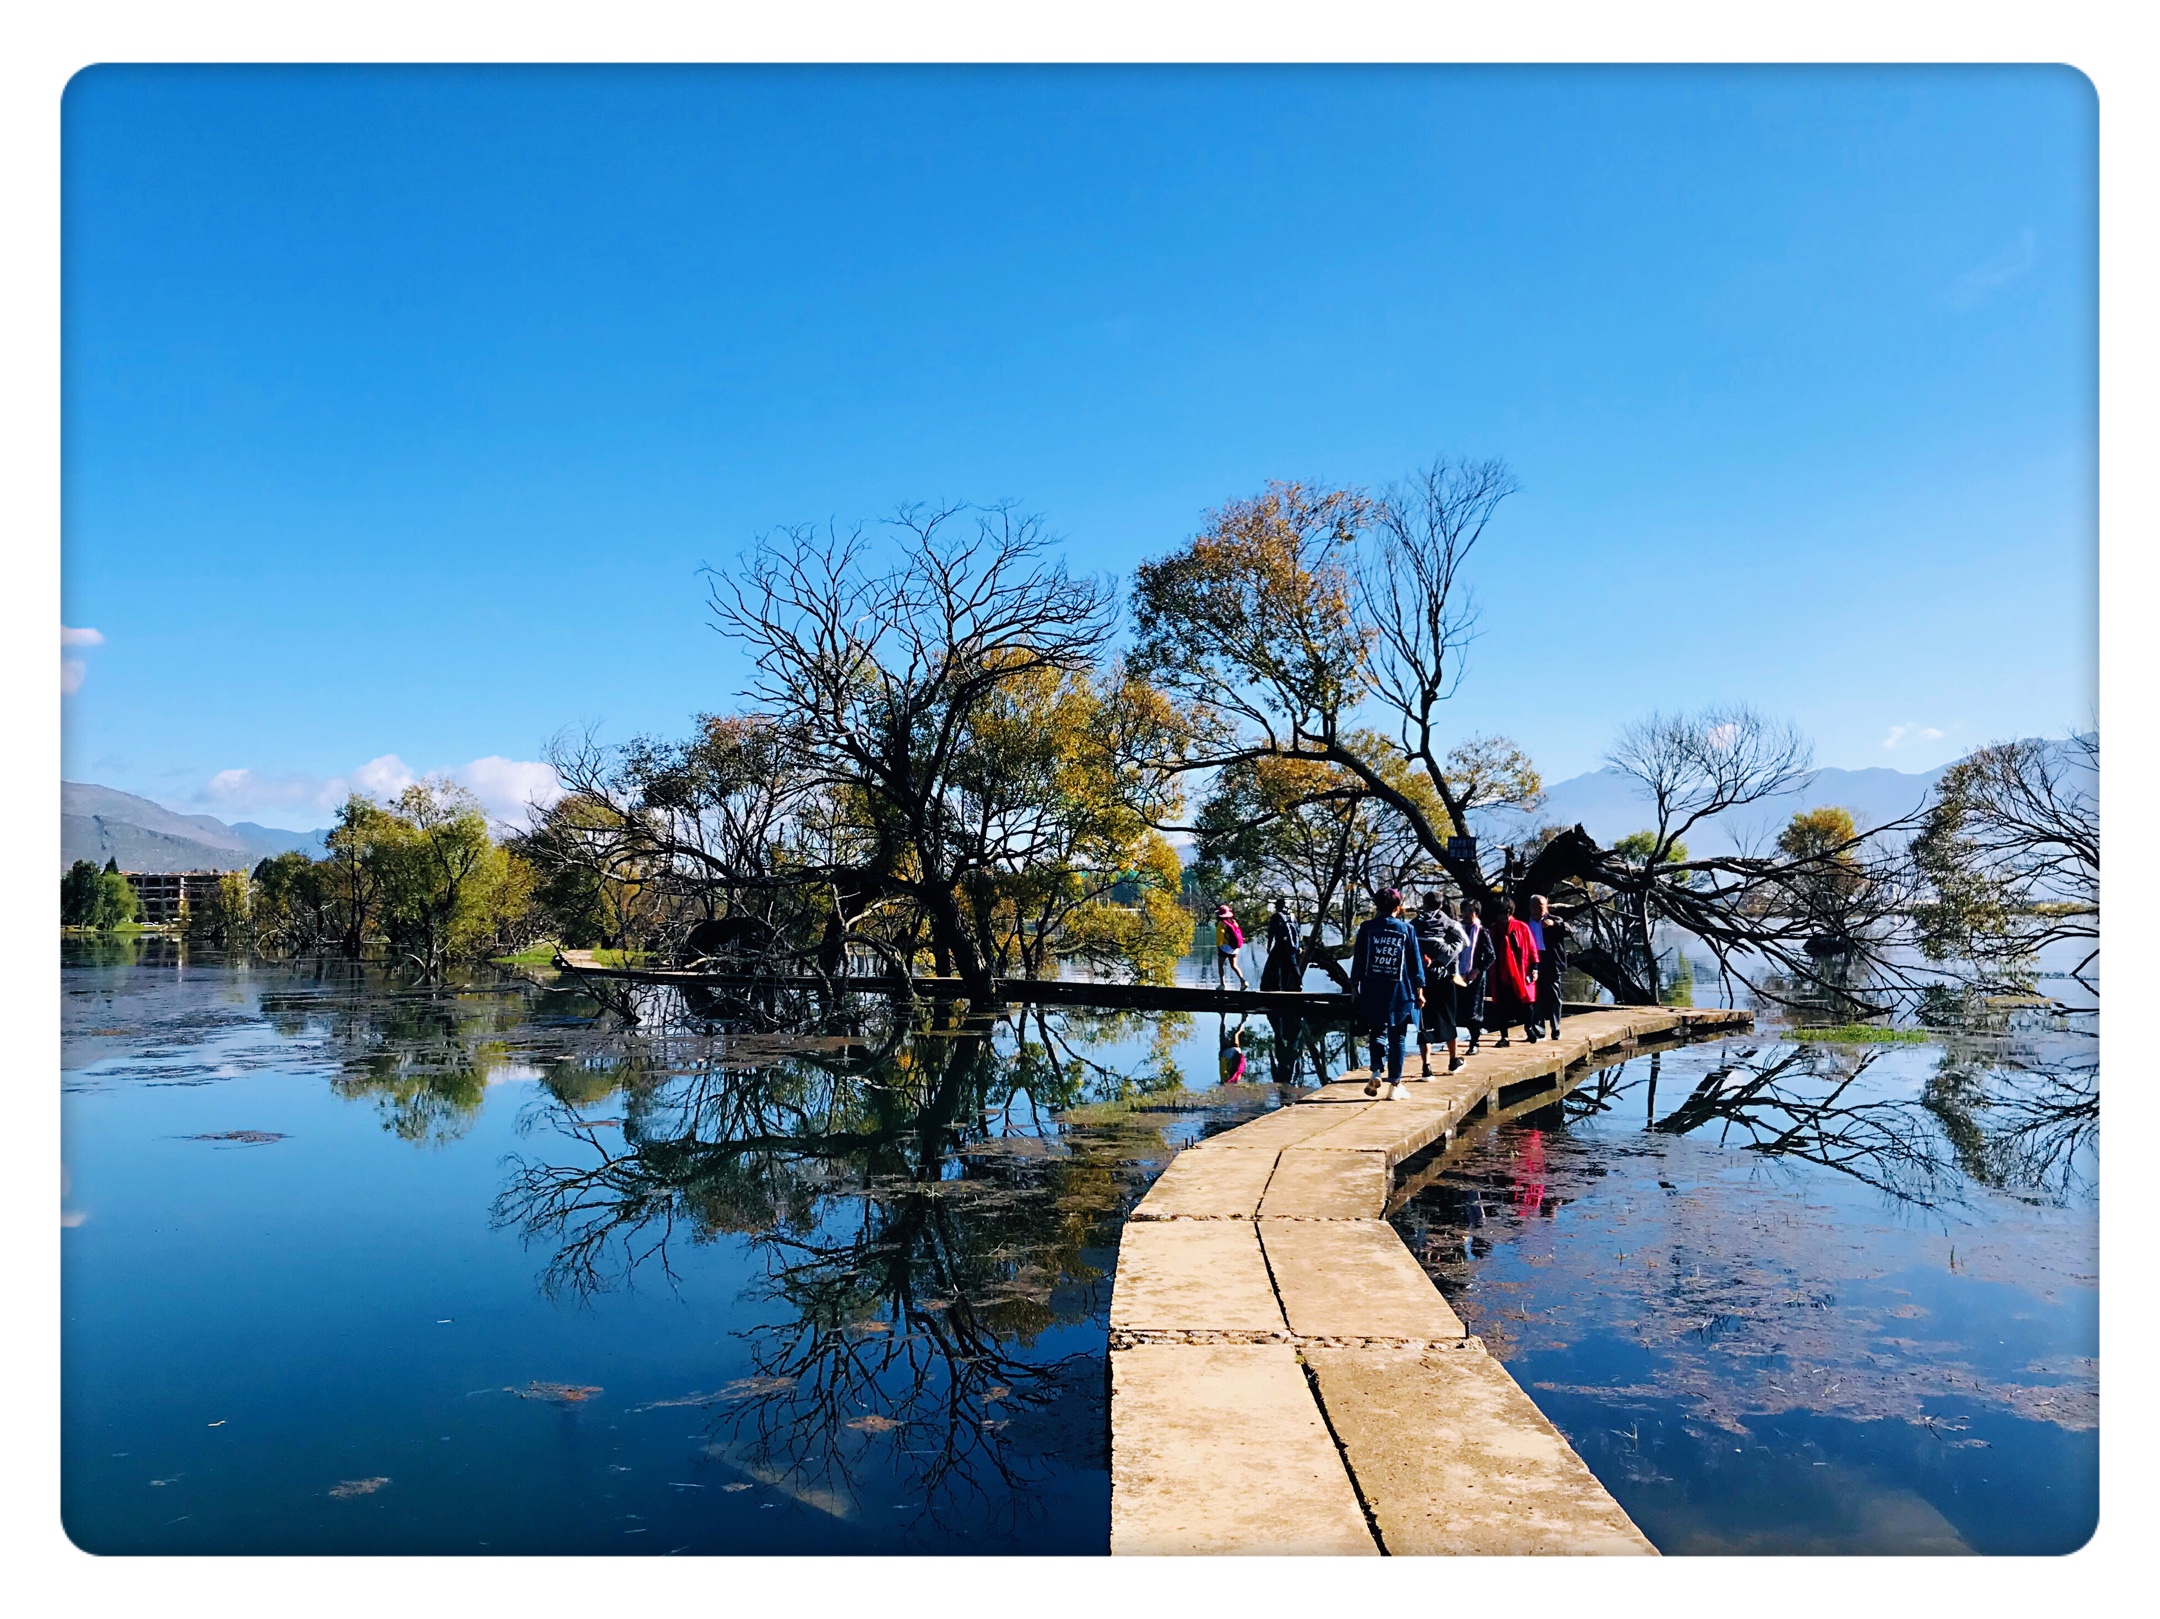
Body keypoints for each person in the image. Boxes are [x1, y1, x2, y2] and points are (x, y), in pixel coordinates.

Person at [1349, 888, 1426, 1100]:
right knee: (1398, 1037)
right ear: (1398, 907)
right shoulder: (1406, 929)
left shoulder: (1367, 928)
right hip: (1399, 992)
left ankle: (1375, 1071)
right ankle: (1395, 1085)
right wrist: (1419, 991)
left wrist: (1354, 987)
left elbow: (1359, 960)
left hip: (1372, 989)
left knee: (1376, 1031)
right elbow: (1414, 963)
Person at [1412, 890, 1469, 1075]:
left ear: (1424, 903)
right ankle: (1453, 1060)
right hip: (1444, 976)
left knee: (1424, 1022)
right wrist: (1443, 957)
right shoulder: (1449, 922)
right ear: (1441, 904)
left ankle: (1426, 1067)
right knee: (1448, 1017)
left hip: (1421, 978)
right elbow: (1465, 942)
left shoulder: (1414, 924)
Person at [1489, 900, 1542, 1047]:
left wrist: (1534, 968)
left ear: (1510, 913)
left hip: (1521, 971)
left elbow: (1532, 949)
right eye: (1499, 914)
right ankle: (1504, 1037)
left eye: (1504, 914)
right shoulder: (1493, 930)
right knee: (1500, 1006)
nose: (1501, 917)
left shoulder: (1522, 928)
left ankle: (1529, 1028)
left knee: (1527, 1003)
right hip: (1499, 973)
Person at [1457, 898, 1497, 1055]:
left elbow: (1490, 955)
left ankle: (1474, 1042)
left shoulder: (1481, 931)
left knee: (1474, 1011)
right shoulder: (1457, 929)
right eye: (1464, 910)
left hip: (1475, 977)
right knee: (1457, 1009)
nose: (1466, 914)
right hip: (1458, 974)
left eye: (1470, 911)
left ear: (1476, 913)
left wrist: (1477, 969)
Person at [1527, 893, 1568, 1039]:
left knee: (1554, 995)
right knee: (1536, 995)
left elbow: (1569, 930)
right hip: (1534, 960)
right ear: (1530, 908)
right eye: (1535, 907)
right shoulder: (1527, 922)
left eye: (1541, 907)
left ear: (1546, 907)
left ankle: (1555, 1027)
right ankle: (1539, 1029)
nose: (1538, 910)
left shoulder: (1554, 920)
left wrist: (1554, 924)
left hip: (1551, 961)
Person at [1259, 898, 1302, 991]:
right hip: (1292, 945)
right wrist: (1299, 945)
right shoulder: (1292, 916)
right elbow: (1298, 931)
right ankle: (1297, 984)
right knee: (1291, 964)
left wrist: (1269, 945)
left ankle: (1272, 986)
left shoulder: (1276, 917)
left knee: (1273, 964)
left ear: (1277, 907)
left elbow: (1271, 933)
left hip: (1280, 945)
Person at [1213, 903, 1249, 990]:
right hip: (1234, 948)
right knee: (1234, 965)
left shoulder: (1221, 924)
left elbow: (1220, 937)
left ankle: (1222, 984)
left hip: (1224, 948)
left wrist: (1218, 946)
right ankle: (1243, 981)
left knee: (1221, 966)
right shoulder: (1234, 922)